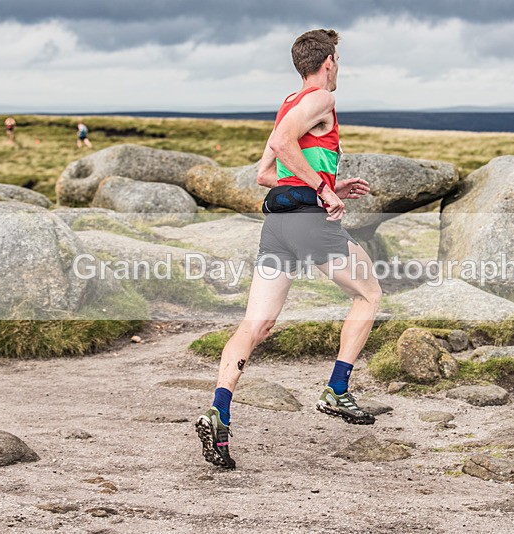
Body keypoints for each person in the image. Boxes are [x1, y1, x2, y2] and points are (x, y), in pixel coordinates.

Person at [195, 29, 381, 469]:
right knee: (369, 295)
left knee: (256, 324)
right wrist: (324, 190)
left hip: (277, 226)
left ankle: (219, 411)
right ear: (328, 62)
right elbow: (282, 146)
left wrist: (330, 183)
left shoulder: (289, 104)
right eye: (338, 59)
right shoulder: (322, 99)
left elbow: (266, 173)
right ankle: (337, 389)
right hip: (310, 224)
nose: (339, 66)